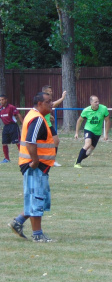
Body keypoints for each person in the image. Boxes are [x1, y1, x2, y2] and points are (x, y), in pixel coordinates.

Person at [8, 92, 56, 242]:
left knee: (38, 198)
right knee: (37, 198)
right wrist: (35, 160)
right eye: (48, 102)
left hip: (38, 166)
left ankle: (18, 221)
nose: (51, 104)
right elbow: (30, 141)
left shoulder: (37, 117)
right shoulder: (36, 118)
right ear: (39, 104)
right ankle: (37, 235)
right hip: (34, 165)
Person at [74, 95, 110, 168]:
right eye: (95, 102)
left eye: (98, 101)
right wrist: (76, 133)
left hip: (97, 132)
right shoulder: (86, 110)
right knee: (87, 144)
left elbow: (107, 121)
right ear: (91, 103)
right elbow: (79, 121)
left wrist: (106, 134)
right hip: (88, 129)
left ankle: (78, 159)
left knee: (89, 151)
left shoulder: (103, 109)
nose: (97, 103)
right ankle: (77, 163)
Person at [42, 85, 67, 167]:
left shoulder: (47, 100)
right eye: (50, 91)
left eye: (51, 91)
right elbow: (53, 105)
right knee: (43, 143)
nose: (51, 92)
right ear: (45, 92)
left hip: (48, 125)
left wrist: (49, 116)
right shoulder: (43, 99)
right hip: (43, 125)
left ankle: (52, 161)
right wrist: (62, 98)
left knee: (56, 141)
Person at [0, 94, 23, 163]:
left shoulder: (11, 107)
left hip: (13, 126)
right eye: (0, 100)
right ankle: (6, 159)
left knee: (17, 142)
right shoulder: (0, 108)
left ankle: (23, 157)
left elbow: (18, 115)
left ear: (6, 100)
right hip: (6, 127)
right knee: (4, 143)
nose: (1, 101)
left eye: (2, 99)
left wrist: (24, 124)